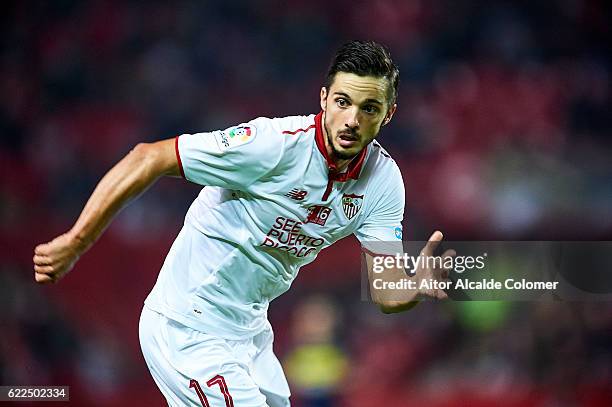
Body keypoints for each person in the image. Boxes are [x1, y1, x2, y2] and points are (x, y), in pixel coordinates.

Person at [33, 40, 450, 407]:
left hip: (249, 332)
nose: (352, 120)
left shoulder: (383, 182)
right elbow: (149, 157)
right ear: (323, 98)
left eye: (369, 108)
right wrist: (77, 241)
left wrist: (412, 288)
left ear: (389, 114)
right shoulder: (272, 147)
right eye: (342, 102)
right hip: (188, 325)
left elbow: (386, 289)